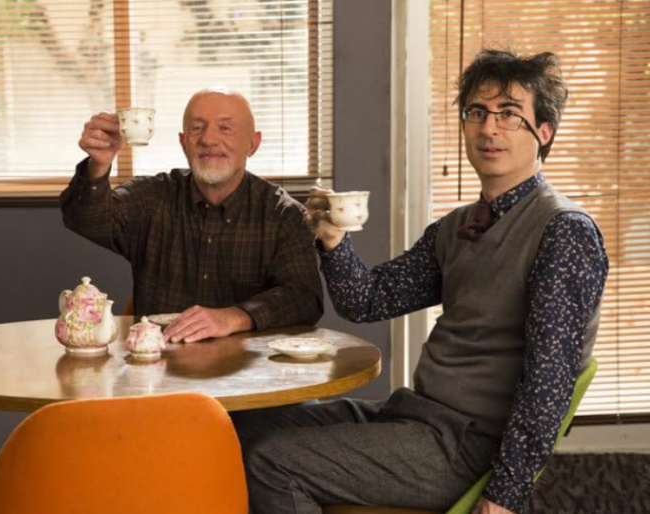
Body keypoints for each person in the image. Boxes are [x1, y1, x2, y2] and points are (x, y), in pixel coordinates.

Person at [235, 49, 607, 514]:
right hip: (415, 417)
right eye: (477, 112)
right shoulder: (457, 227)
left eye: (509, 115)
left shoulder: (564, 231)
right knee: (245, 428)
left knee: (271, 462)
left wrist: (504, 495)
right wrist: (332, 239)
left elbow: (548, 382)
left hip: (468, 445)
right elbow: (367, 301)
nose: (489, 128)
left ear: (544, 133)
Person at [61, 87, 324, 343]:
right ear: (183, 142)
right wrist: (99, 165)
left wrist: (234, 317)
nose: (209, 139)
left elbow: (304, 298)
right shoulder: (153, 196)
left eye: (225, 127)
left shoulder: (282, 214)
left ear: (252, 143)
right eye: (197, 128)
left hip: (250, 375)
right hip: (157, 370)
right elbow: (86, 219)